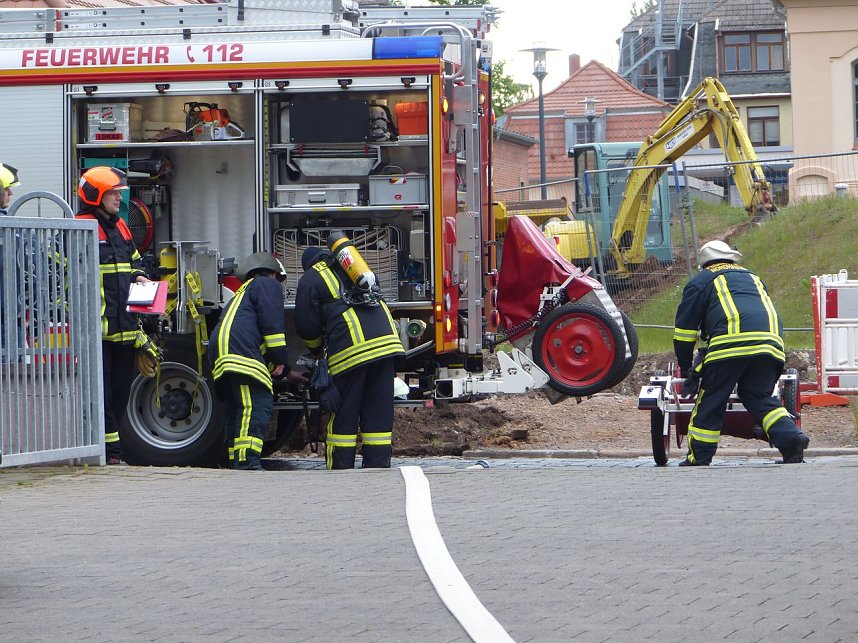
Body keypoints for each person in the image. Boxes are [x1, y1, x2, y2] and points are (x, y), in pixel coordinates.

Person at [673, 239, 810, 466]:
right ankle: (791, 439)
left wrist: (687, 368)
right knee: (758, 396)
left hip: (730, 343)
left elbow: (684, 332)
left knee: (712, 398)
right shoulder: (753, 277)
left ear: (704, 263)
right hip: (771, 344)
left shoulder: (701, 281)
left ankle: (699, 456)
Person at [294, 242, 404, 470]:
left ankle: (340, 468)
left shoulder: (310, 278)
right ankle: (377, 466)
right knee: (378, 411)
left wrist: (316, 350)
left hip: (352, 351)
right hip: (387, 345)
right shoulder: (355, 269)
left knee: (344, 410)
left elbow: (306, 325)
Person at [76, 166, 150, 465]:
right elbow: (66, 273)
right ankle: (110, 455)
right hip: (98, 331)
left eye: (119, 193)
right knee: (102, 397)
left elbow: (134, 262)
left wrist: (141, 277)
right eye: (114, 194)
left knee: (119, 395)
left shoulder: (120, 226)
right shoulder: (80, 227)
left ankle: (110, 451)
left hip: (125, 329)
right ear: (96, 196)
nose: (119, 199)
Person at [207, 252, 305, 470]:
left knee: (237, 411)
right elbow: (272, 323)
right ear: (272, 273)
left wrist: (286, 371)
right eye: (279, 279)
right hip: (240, 354)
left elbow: (253, 335)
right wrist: (280, 357)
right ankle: (247, 464)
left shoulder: (242, 293)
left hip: (225, 355)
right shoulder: (266, 284)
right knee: (255, 407)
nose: (279, 285)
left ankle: (236, 460)